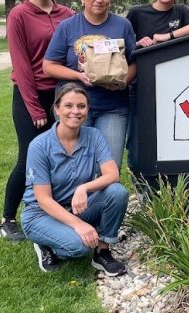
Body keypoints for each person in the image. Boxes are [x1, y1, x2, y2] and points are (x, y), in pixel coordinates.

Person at [0, 0, 74, 242]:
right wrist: (34, 107)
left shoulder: (67, 14)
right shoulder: (19, 15)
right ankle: (7, 219)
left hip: (62, 95)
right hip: (32, 94)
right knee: (29, 156)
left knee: (61, 155)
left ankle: (52, 210)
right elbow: (21, 65)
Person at [20, 83, 129, 276]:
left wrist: (83, 188)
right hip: (41, 214)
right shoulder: (39, 145)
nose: (75, 111)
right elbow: (43, 200)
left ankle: (102, 252)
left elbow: (112, 174)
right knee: (80, 246)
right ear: (57, 109)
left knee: (117, 192)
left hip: (76, 206)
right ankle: (46, 245)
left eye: (81, 106)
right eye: (68, 106)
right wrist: (79, 225)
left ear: (87, 109)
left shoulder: (93, 135)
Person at [43, 0, 137, 167]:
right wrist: (78, 76)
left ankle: (104, 198)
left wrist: (122, 82)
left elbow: (135, 62)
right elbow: (49, 66)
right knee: (73, 167)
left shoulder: (122, 25)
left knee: (108, 169)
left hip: (113, 108)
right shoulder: (67, 27)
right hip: (73, 108)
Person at [125, 0, 189, 174]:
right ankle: (141, 185)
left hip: (173, 88)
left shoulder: (180, 12)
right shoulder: (137, 13)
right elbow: (123, 44)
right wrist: (138, 43)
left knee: (169, 136)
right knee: (137, 141)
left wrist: (168, 36)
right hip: (141, 87)